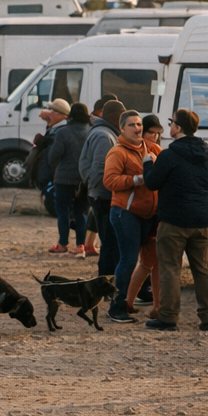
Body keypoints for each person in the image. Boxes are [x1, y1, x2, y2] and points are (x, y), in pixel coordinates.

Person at [142, 108, 208, 331]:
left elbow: (152, 183)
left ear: (178, 127)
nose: (170, 126)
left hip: (173, 220)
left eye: (171, 122)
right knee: (204, 270)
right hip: (203, 221)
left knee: (170, 269)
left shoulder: (168, 155)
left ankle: (168, 317)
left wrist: (148, 163)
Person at [101, 110, 156, 324]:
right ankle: (117, 307)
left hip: (148, 214)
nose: (137, 128)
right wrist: (137, 179)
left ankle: (143, 304)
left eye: (139, 124)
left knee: (148, 261)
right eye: (132, 125)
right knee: (128, 259)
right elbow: (109, 181)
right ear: (122, 128)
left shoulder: (152, 149)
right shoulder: (118, 152)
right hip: (125, 212)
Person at [123, 114, 164, 319]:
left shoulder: (157, 151)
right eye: (150, 132)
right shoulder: (139, 153)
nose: (154, 136)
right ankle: (129, 302)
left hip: (155, 212)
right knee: (147, 262)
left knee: (154, 263)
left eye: (157, 133)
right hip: (144, 212)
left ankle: (153, 305)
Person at [80, 100, 126, 278]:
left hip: (100, 194)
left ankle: (106, 280)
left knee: (109, 241)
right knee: (109, 242)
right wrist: (107, 190)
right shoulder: (104, 136)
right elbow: (100, 170)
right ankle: (105, 280)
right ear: (115, 117)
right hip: (104, 196)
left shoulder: (105, 132)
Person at [46, 103, 91, 253]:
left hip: (64, 178)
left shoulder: (62, 132)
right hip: (84, 179)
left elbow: (53, 156)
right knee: (81, 212)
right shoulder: (92, 132)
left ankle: (63, 244)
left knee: (63, 211)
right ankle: (81, 245)